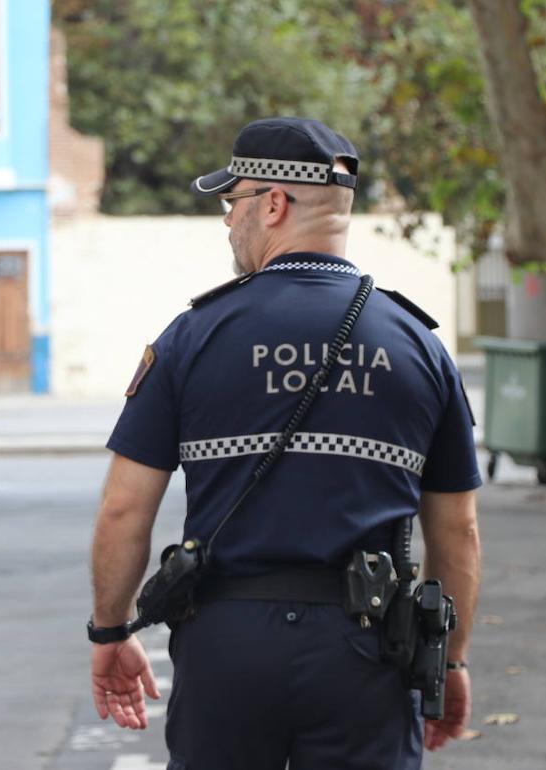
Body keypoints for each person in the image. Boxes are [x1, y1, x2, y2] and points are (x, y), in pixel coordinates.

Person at [86, 117, 482, 769]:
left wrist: (110, 629)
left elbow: (124, 509)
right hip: (368, 651)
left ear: (273, 204)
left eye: (232, 201)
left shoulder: (193, 336)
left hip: (225, 649)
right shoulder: (417, 346)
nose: (227, 221)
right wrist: (452, 657)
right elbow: (457, 530)